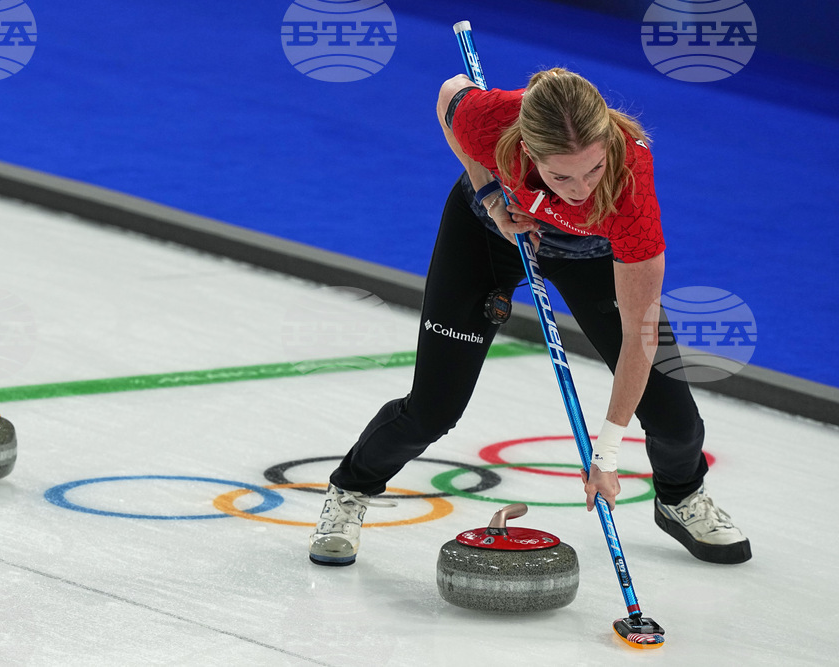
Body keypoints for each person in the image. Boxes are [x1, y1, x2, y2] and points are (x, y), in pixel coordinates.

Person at [308, 67, 751, 567]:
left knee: (676, 420)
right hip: (489, 236)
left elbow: (638, 337)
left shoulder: (630, 191)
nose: (579, 188)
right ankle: (350, 490)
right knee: (432, 410)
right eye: (560, 175)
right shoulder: (495, 119)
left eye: (592, 169)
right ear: (528, 148)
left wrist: (605, 454)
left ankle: (679, 498)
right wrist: (489, 195)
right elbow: (449, 92)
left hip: (590, 253)